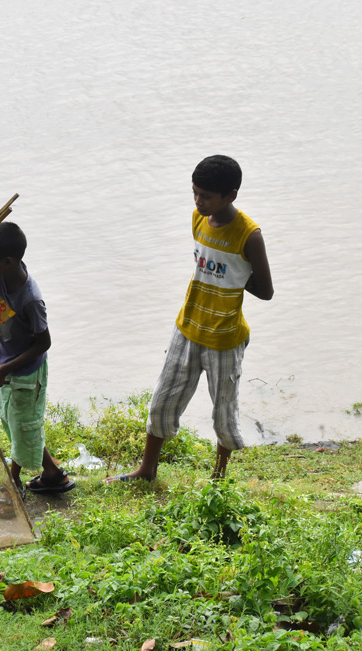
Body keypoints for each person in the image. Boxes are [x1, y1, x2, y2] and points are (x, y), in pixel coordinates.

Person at [109, 155, 274, 483]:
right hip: (187, 327)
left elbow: (266, 290)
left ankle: (218, 479)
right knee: (162, 401)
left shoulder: (249, 235)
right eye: (195, 193)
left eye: (207, 196)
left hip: (225, 337)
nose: (198, 201)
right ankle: (147, 470)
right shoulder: (198, 220)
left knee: (223, 413)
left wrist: (240, 273)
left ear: (231, 195)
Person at [0, 221, 74, 513]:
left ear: (7, 262)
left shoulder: (31, 298)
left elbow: (43, 343)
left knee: (22, 424)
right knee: (14, 423)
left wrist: (4, 371)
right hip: (5, 364)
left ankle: (13, 484)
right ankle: (54, 476)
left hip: (26, 374)